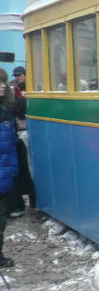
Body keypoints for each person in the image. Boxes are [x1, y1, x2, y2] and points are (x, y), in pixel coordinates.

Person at [0, 69, 20, 268]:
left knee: (1, 218)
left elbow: (10, 143)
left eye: (4, 81)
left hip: (4, 171)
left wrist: (13, 167)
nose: (4, 85)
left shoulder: (5, 109)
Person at [9, 65, 34, 216]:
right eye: (16, 75)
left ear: (25, 75)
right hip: (20, 131)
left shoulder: (30, 88)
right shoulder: (15, 90)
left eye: (20, 75)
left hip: (27, 131)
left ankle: (31, 199)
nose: (18, 77)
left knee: (28, 166)